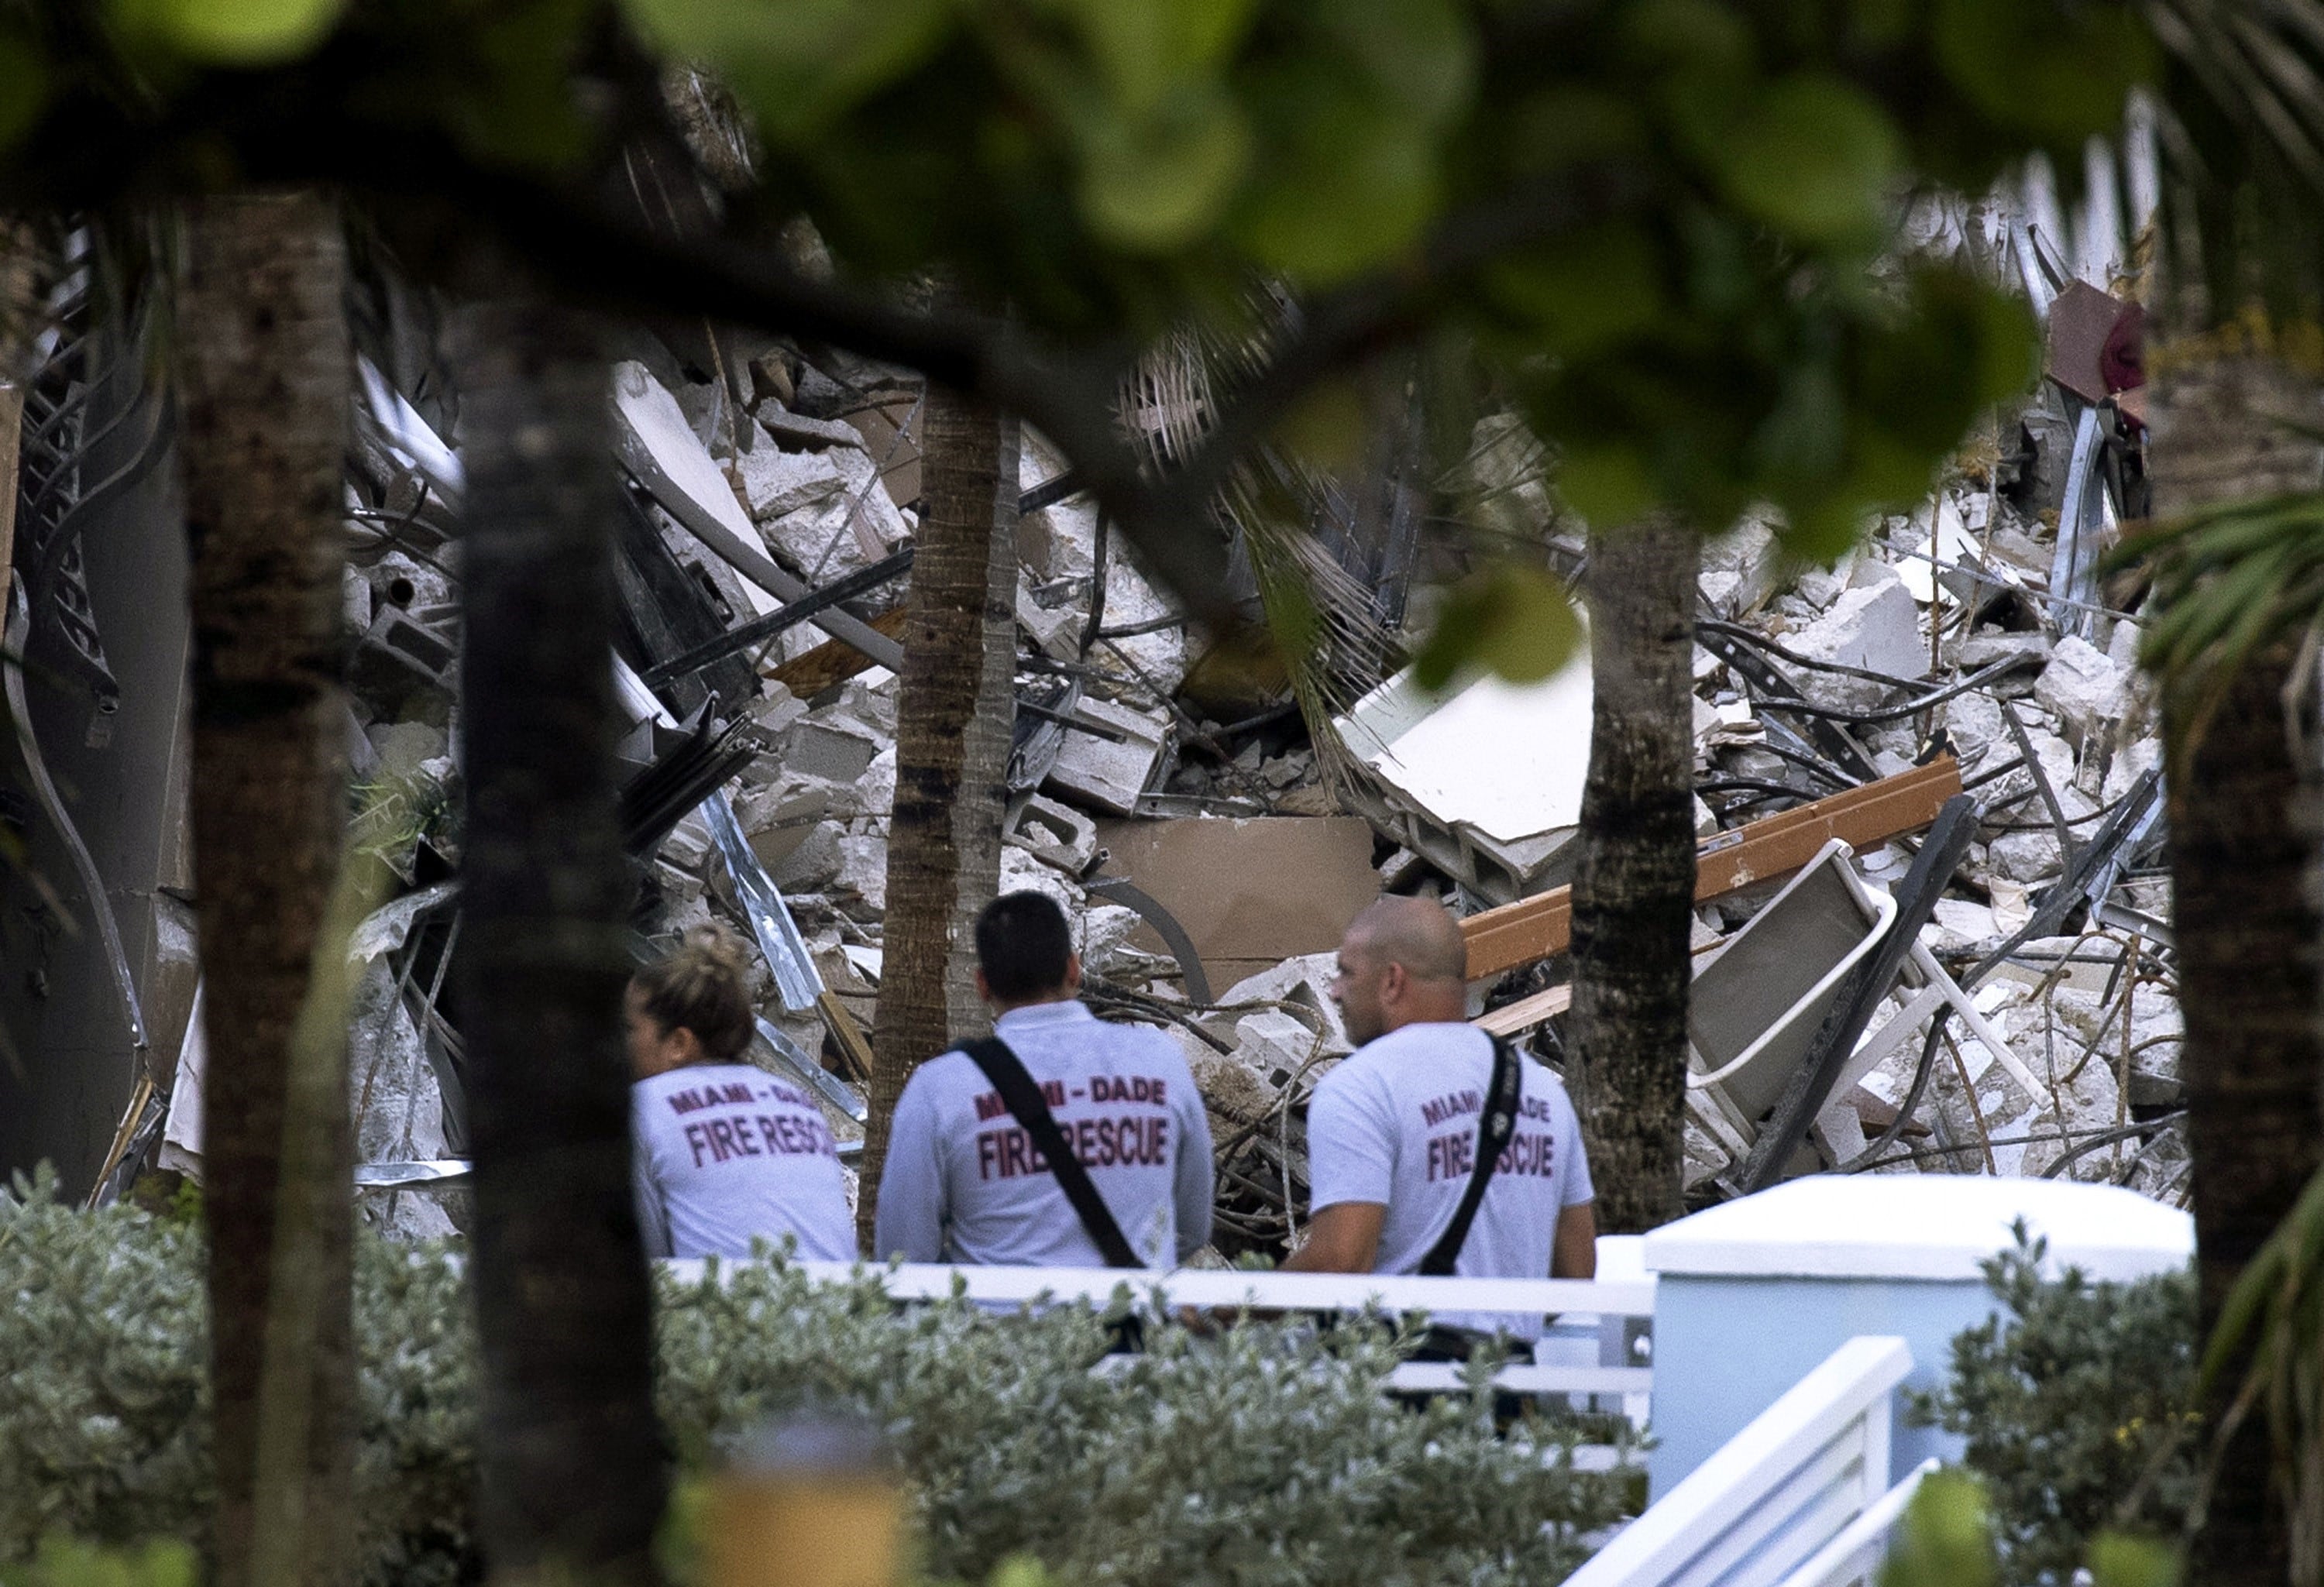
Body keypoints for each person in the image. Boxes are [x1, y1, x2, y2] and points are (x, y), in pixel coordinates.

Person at [1286, 896, 1596, 1335]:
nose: (1335, 990)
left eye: (1347, 972)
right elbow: (1578, 1276)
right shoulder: (1542, 1090)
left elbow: (1341, 1261)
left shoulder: (1361, 1087)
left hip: (1398, 1385)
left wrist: (1224, 1308)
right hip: (1509, 1386)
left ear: (1392, 981)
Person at [874, 891, 1215, 1268]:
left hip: (1001, 1324)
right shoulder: (1159, 1060)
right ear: (1074, 968)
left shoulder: (938, 1089)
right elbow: (1193, 1226)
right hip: (1134, 1322)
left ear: (983, 985)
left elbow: (902, 1257)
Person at [628, 923, 855, 1262]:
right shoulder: (797, 1104)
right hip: (841, 1309)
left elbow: (643, 1263)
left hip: (730, 1310)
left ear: (678, 1043)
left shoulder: (642, 1107)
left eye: (628, 1028)